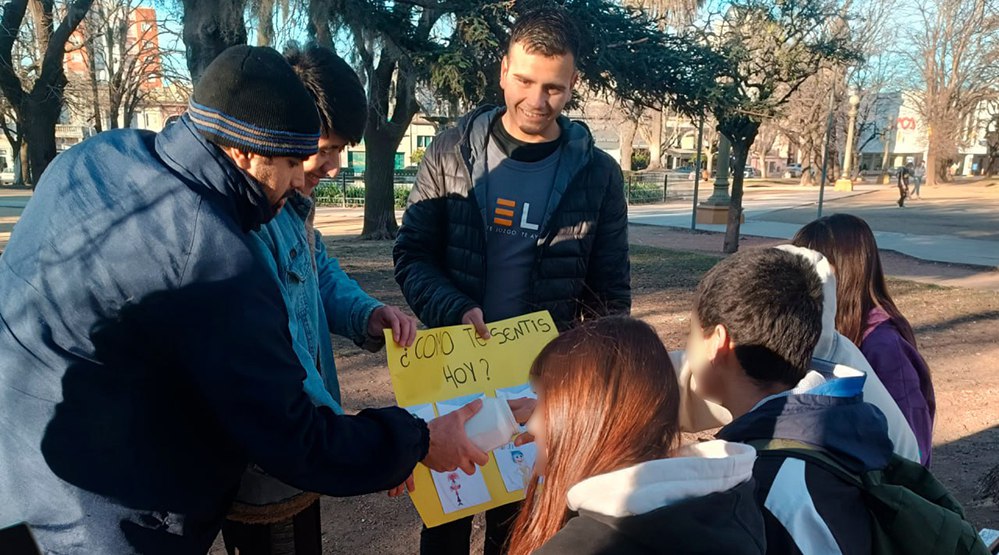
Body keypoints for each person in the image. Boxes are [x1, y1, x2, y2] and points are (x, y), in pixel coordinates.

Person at [0, 45, 487, 555]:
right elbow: (293, 434)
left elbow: (310, 268)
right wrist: (416, 442)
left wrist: (362, 313)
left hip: (22, 480)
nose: (304, 179)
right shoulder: (215, 257)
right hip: (101, 517)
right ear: (247, 151)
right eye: (297, 159)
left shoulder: (98, 156)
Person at [394, 7, 630, 554]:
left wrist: (581, 390)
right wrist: (453, 306)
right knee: (446, 532)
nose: (536, 100)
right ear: (503, 70)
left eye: (554, 87)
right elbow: (412, 255)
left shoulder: (599, 175)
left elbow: (609, 297)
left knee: (522, 536)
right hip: (453, 381)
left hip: (541, 387)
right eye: (524, 80)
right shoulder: (450, 150)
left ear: (573, 85)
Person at [219, 44, 420, 555]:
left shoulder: (292, 199)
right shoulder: (247, 220)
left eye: (340, 151)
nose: (331, 166)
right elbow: (281, 352)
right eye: (323, 149)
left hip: (304, 443)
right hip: (268, 455)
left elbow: (318, 273)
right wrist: (373, 449)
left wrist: (367, 314)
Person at [686, 247, 893, 554]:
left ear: (718, 342)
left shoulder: (772, 489)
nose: (687, 351)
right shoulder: (842, 425)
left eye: (688, 334)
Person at [506, 316, 765, 555]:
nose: (533, 425)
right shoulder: (733, 508)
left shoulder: (579, 547)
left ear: (589, 418)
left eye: (544, 401)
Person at [793, 214, 936, 466]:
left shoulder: (885, 346)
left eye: (807, 270)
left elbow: (913, 451)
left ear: (840, 273)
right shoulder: (822, 334)